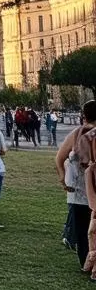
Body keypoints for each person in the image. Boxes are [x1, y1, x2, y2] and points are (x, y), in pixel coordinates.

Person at [56, 101, 96, 272]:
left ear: (84, 115)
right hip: (93, 187)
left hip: (79, 188)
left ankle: (86, 263)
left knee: (82, 228)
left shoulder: (77, 134)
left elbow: (59, 158)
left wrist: (63, 178)